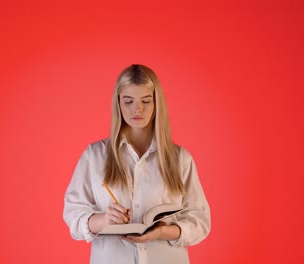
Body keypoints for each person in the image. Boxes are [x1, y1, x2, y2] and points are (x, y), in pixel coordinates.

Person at [63, 64, 211, 264]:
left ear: (157, 103)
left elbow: (200, 221)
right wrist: (104, 220)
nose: (137, 109)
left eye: (146, 101)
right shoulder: (95, 156)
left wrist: (163, 232)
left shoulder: (179, 159)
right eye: (128, 101)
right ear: (118, 104)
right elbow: (73, 214)